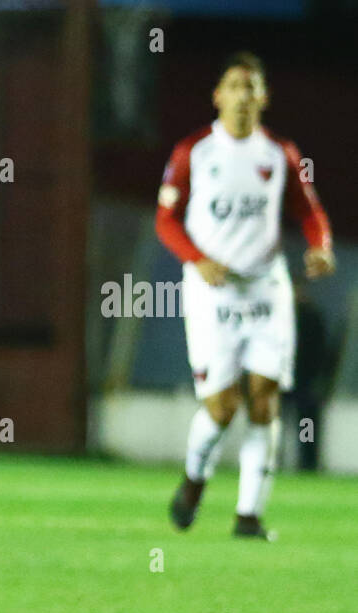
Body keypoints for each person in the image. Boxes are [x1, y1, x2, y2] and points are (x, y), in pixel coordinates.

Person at [157, 51, 334, 540]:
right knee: (222, 406)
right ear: (218, 95)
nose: (242, 95)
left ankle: (249, 515)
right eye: (234, 85)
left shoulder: (279, 153)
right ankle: (195, 479)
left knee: (265, 400)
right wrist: (197, 258)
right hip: (213, 294)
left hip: (266, 290)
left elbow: (310, 213)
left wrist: (320, 247)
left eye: (251, 87)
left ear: (263, 98)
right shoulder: (193, 152)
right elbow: (165, 220)